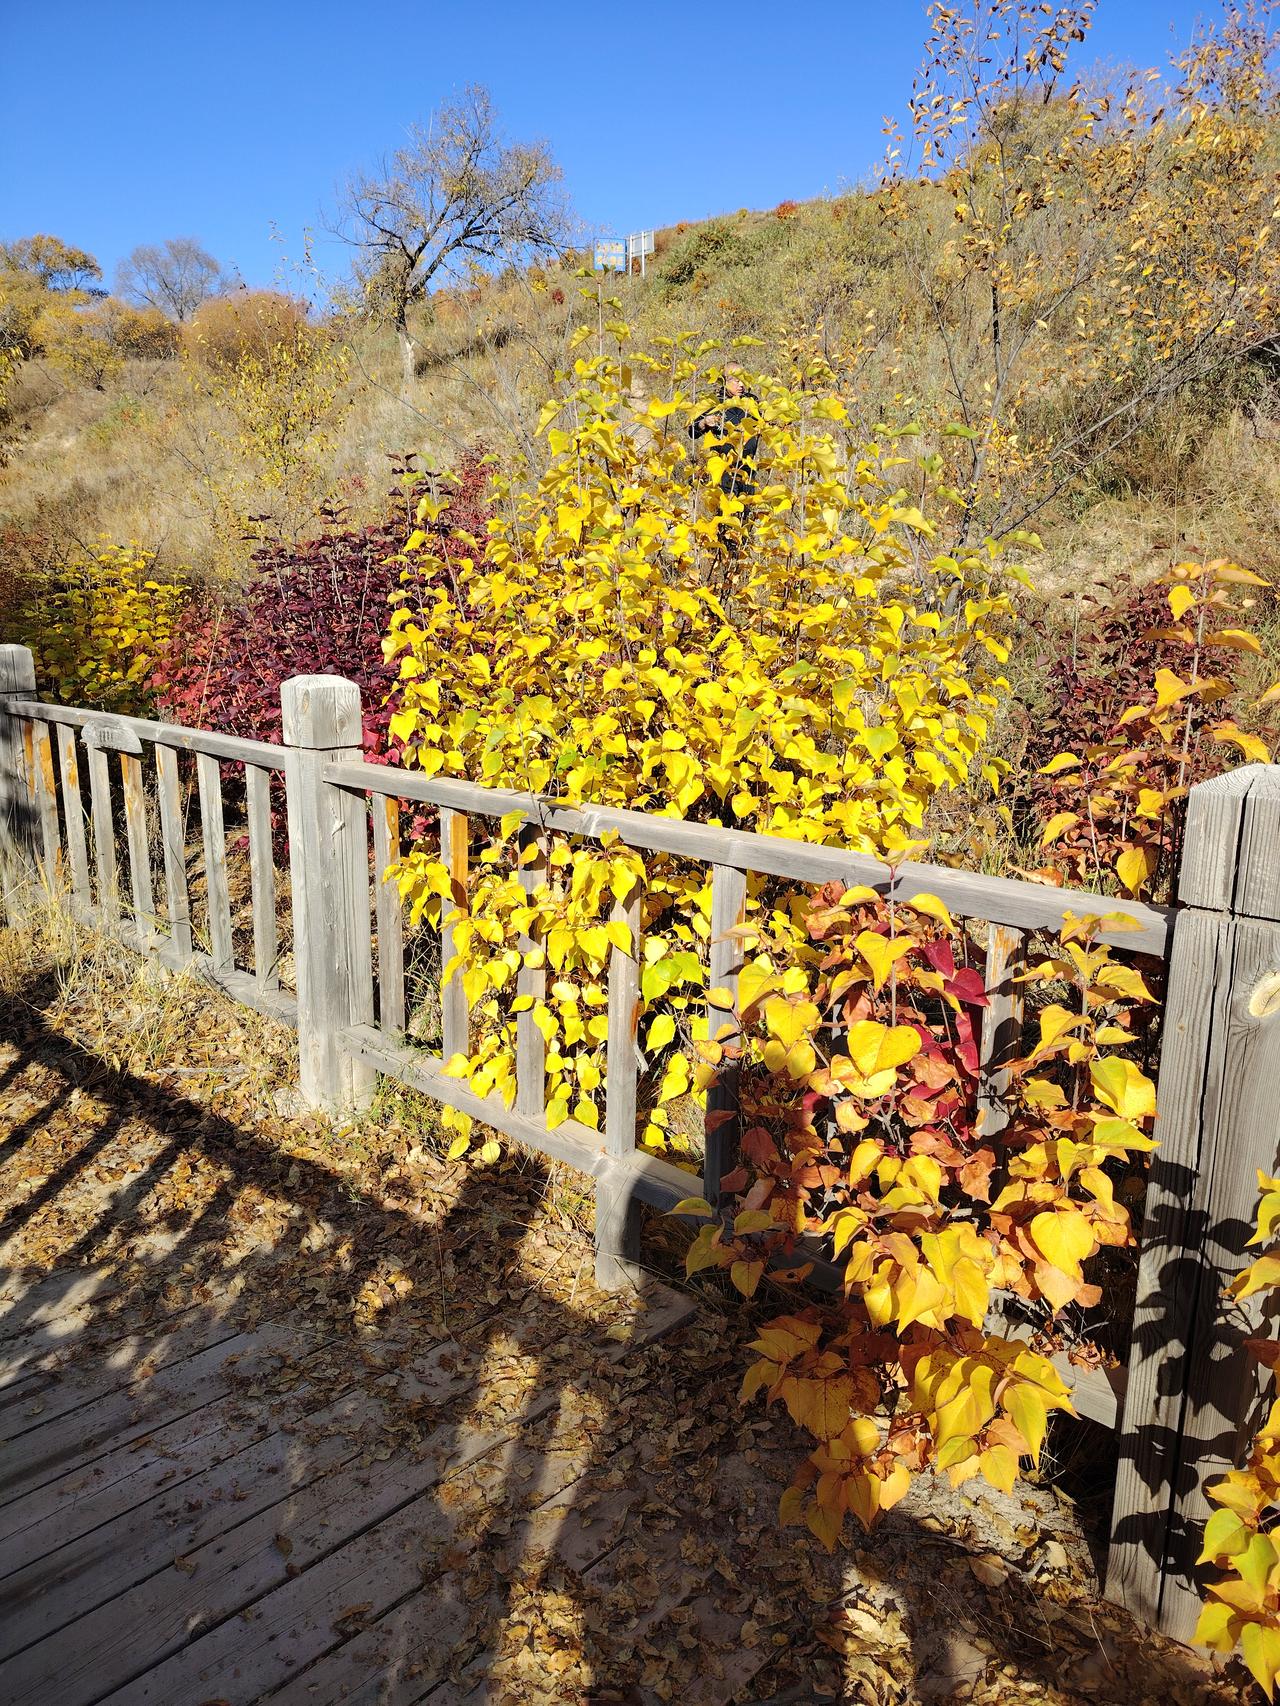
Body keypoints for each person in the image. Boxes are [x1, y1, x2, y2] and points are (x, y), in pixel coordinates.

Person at [690, 364, 761, 497]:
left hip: (746, 467)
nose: (741, 384)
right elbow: (692, 432)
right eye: (736, 380)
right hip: (723, 468)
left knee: (745, 509)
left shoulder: (751, 400)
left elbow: (762, 424)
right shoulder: (714, 402)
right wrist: (704, 423)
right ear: (725, 380)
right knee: (725, 508)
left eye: (743, 379)